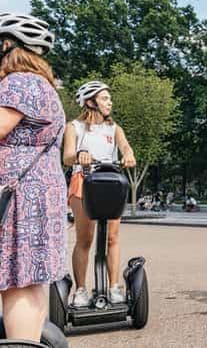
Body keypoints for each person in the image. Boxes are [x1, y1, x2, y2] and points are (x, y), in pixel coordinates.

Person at [0, 12, 66, 342]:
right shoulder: (40, 85)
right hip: (34, 195)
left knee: (17, 282)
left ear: (7, 46)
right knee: (27, 280)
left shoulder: (20, 83)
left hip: (19, 200)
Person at [62, 80, 137, 307]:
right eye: (105, 98)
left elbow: (125, 147)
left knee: (112, 238)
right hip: (83, 181)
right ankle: (81, 290)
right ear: (90, 101)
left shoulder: (114, 129)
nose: (110, 102)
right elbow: (67, 157)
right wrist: (80, 154)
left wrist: (129, 155)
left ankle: (113, 287)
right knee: (85, 239)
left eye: (109, 98)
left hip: (109, 182)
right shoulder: (74, 126)